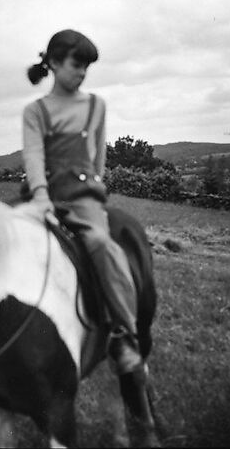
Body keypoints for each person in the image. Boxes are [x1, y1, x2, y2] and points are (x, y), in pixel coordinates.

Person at [21, 29, 142, 376]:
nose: (82, 73)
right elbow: (32, 156)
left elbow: (98, 157)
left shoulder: (95, 106)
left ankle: (123, 334)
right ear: (54, 63)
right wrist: (41, 196)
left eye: (87, 67)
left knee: (103, 245)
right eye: (77, 64)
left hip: (83, 199)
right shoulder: (36, 111)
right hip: (44, 196)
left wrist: (94, 191)